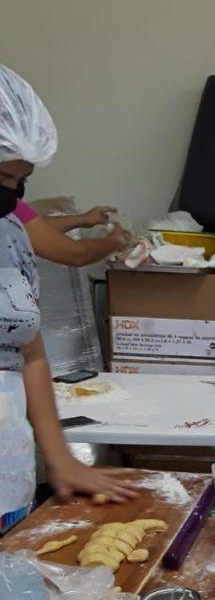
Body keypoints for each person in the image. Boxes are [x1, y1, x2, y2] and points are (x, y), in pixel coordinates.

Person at [0, 65, 136, 533]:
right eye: (3, 176)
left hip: (8, 486)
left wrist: (60, 460)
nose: (12, 194)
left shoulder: (10, 234)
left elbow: (30, 350)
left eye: (20, 180)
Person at [15, 199, 130, 267]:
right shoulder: (8, 202)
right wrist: (117, 240)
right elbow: (78, 254)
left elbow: (32, 229)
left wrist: (83, 219)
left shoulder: (14, 205)